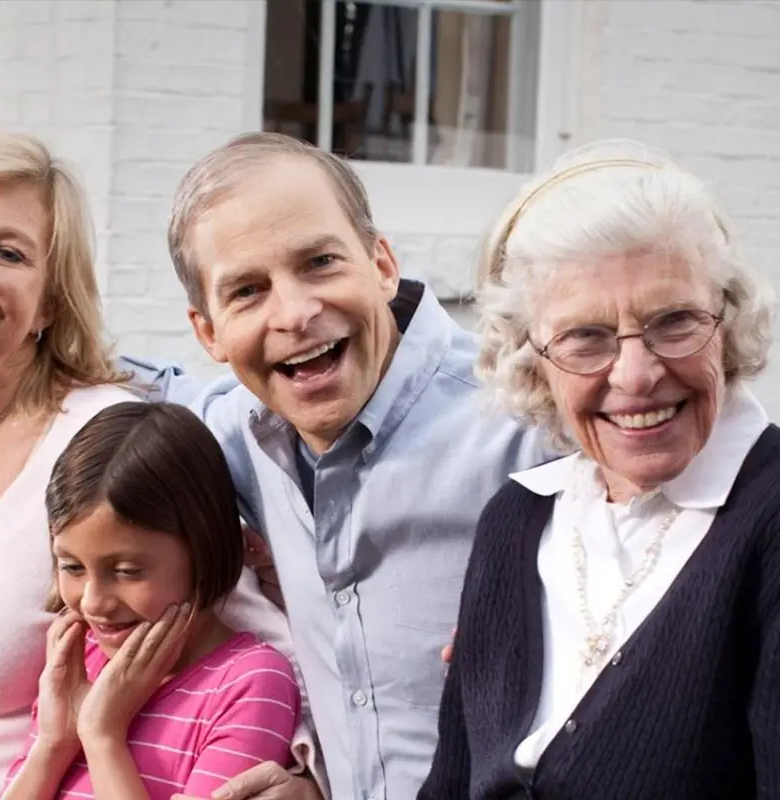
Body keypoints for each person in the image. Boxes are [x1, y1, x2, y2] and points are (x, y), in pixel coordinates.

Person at [0, 132, 304, 800]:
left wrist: (307, 778)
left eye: (8, 252)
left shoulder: (95, 438)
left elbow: (245, 632)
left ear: (50, 303)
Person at [159, 132, 553, 800]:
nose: (295, 312)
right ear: (209, 332)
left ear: (382, 264)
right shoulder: (232, 433)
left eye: (319, 262)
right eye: (248, 291)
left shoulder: (528, 418)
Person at [418, 143, 780, 798]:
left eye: (675, 321)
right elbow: (450, 784)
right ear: (530, 357)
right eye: (586, 337)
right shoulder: (517, 519)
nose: (636, 373)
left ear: (728, 320)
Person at [3, 402, 301, 799]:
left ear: (203, 550)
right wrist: (54, 745)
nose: (93, 603)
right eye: (72, 567)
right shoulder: (81, 660)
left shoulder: (250, 684)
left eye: (126, 571)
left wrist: (102, 735)